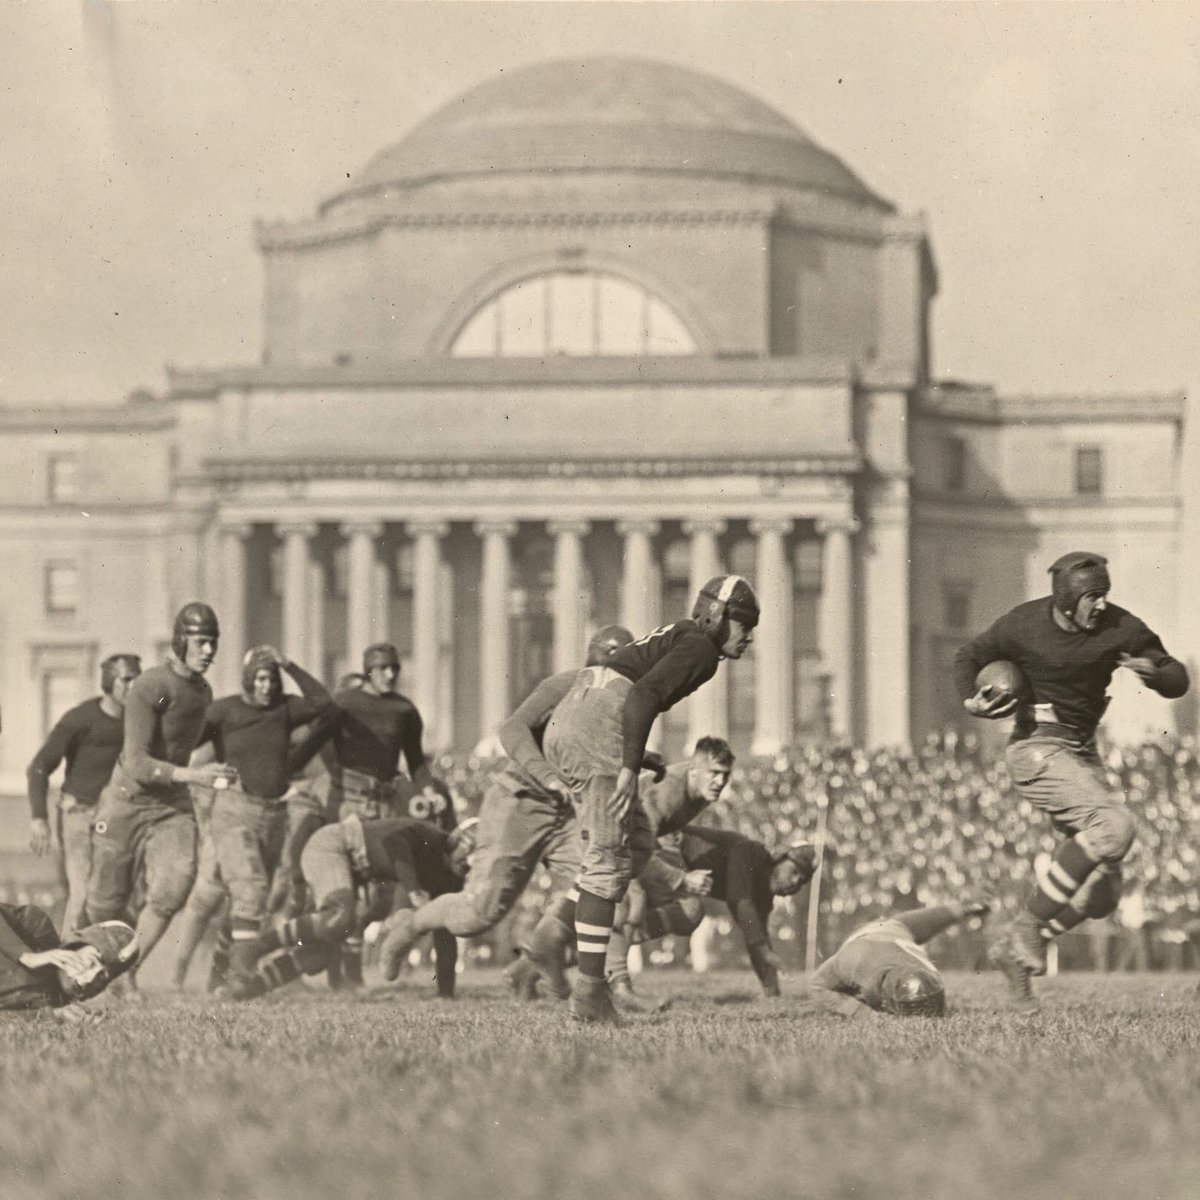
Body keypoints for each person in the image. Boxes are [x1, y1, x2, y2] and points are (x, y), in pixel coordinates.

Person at [953, 551, 1189, 1012]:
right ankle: (1027, 925)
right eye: (1091, 597)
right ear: (1065, 600)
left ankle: (1015, 954)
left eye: (1104, 595)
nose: (1100, 605)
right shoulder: (1022, 625)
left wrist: (1158, 674)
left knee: (1101, 895)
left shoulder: (1119, 627)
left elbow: (1177, 677)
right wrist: (969, 701)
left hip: (1081, 752)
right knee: (1115, 827)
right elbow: (969, 655)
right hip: (1035, 747)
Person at [539, 574, 759, 1023]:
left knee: (631, 849)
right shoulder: (702, 649)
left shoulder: (685, 635)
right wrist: (624, 767)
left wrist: (639, 756)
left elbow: (630, 686)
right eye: (744, 624)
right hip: (598, 722)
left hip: (574, 715)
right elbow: (641, 695)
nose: (749, 636)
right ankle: (589, 995)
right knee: (607, 862)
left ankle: (554, 944)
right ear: (716, 617)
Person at [374, 627, 642, 981]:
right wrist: (546, 775)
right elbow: (513, 728)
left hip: (566, 813)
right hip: (521, 802)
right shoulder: (565, 686)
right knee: (477, 914)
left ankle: (556, 974)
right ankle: (408, 928)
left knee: (600, 885)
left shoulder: (622, 701)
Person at [83, 602, 237, 991]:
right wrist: (194, 775)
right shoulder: (151, 687)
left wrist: (226, 761)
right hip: (127, 798)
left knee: (175, 885)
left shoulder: (203, 691)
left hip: (169, 804)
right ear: (181, 640)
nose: (209, 651)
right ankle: (80, 977)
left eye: (213, 642)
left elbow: (185, 735)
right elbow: (135, 761)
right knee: (105, 900)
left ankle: (125, 973)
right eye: (202, 642)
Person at [170, 645, 333, 994]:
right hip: (233, 807)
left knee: (253, 899)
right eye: (260, 678)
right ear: (248, 679)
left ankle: (219, 973)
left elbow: (323, 703)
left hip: (273, 813)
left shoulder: (285, 708)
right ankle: (241, 979)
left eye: (271, 679)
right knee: (250, 890)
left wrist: (289, 664)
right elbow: (181, 743)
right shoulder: (224, 710)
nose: (266, 686)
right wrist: (193, 773)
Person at [296, 647, 452, 985]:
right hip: (349, 800)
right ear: (368, 671)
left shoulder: (404, 709)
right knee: (345, 889)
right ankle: (342, 972)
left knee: (378, 899)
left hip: (384, 802)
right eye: (382, 669)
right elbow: (314, 745)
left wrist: (427, 789)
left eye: (394, 668)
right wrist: (290, 775)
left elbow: (416, 762)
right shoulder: (344, 703)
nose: (390, 675)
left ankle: (348, 964)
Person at [239, 816, 477, 1001]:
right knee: (339, 917)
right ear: (457, 840)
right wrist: (413, 890)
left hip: (352, 869)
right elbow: (394, 842)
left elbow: (443, 933)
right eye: (466, 856)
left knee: (318, 955)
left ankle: (248, 989)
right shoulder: (430, 835)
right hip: (333, 845)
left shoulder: (451, 878)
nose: (466, 865)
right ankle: (257, 946)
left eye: (471, 865)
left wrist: (446, 992)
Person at [599, 736, 737, 1006]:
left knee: (690, 911)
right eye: (714, 774)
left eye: (725, 775)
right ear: (694, 770)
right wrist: (680, 878)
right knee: (629, 903)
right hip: (607, 837)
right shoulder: (668, 793)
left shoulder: (697, 788)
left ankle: (580, 951)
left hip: (634, 840)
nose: (720, 782)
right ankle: (618, 984)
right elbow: (634, 850)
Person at [616, 828, 817, 1001]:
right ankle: (608, 954)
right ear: (779, 857)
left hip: (674, 860)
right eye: (793, 872)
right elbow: (740, 900)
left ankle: (605, 948)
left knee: (679, 914)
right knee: (689, 910)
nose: (795, 882)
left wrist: (772, 992)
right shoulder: (752, 852)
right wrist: (762, 947)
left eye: (801, 881)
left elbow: (757, 936)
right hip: (665, 844)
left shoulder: (763, 894)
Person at [26, 654, 142, 935]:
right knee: (83, 896)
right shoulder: (81, 718)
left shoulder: (141, 719)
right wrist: (39, 818)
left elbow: (165, 706)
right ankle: (66, 971)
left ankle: (114, 971)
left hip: (116, 819)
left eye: (138, 679)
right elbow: (39, 768)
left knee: (118, 901)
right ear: (109, 683)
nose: (134, 686)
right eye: (127, 679)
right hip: (78, 816)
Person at [805, 896, 990, 1018]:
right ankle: (962, 906)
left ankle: (963, 906)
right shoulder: (855, 959)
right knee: (897, 924)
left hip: (900, 930)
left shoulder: (930, 975)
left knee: (933, 918)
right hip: (870, 934)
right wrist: (863, 1013)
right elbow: (817, 985)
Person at [0, 900, 138, 1015]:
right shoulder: (36, 928)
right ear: (77, 945)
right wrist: (26, 956)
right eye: (91, 962)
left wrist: (52, 1015)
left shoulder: (51, 1001)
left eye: (101, 977)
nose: (88, 979)